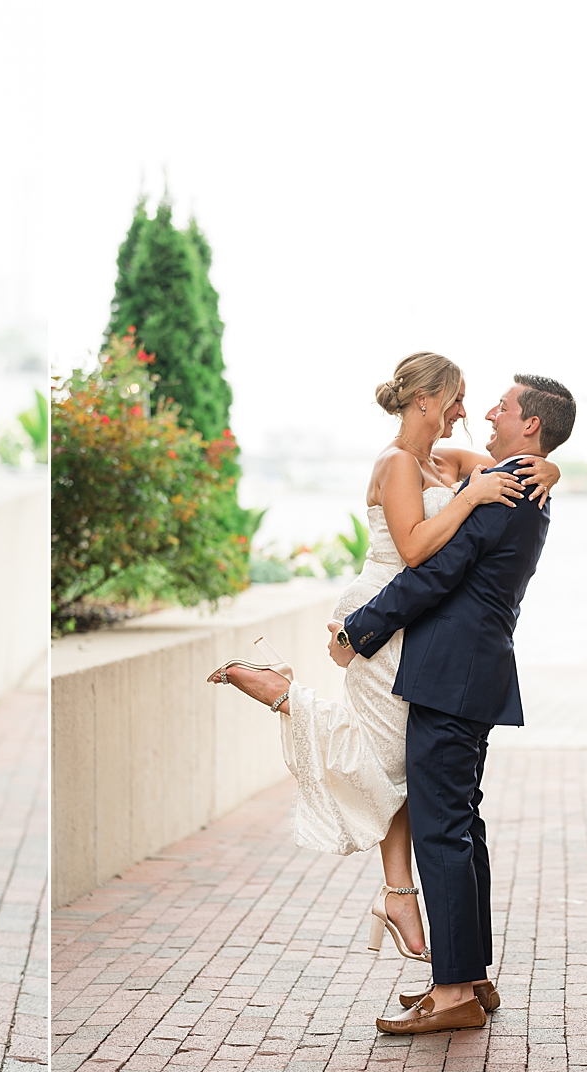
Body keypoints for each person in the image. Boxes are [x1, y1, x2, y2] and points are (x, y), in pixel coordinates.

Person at [209, 353, 559, 965]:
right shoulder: (397, 463)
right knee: (391, 761)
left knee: (401, 766)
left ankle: (398, 894)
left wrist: (548, 466)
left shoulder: (444, 461)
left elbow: (517, 464)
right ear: (424, 399)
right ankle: (284, 696)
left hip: (413, 622)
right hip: (387, 610)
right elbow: (417, 549)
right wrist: (471, 496)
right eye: (454, 399)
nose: (465, 412)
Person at [334, 373, 577, 1033]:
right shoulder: (522, 483)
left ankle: (451, 994)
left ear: (531, 424)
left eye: (505, 405)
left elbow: (431, 573)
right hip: (474, 674)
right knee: (462, 827)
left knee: (443, 830)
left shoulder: (503, 493)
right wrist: (547, 462)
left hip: (450, 676)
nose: (490, 413)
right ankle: (469, 974)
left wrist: (358, 632)